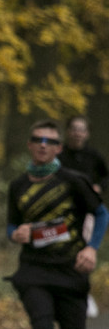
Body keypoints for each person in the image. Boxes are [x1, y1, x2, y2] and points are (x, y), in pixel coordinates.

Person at [5, 119, 108, 329]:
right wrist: (15, 234)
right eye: (37, 139)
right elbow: (11, 224)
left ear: (59, 148)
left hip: (69, 269)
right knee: (41, 328)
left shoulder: (73, 180)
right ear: (29, 144)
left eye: (49, 141)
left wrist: (91, 248)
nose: (42, 145)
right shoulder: (18, 185)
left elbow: (101, 214)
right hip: (34, 269)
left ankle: (69, 315)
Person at [59, 114, 108, 318]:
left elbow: (106, 177)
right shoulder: (59, 155)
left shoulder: (94, 156)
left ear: (87, 134)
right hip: (62, 212)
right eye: (74, 128)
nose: (77, 133)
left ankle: (83, 292)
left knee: (83, 248)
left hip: (87, 211)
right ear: (68, 132)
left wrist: (98, 188)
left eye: (81, 129)